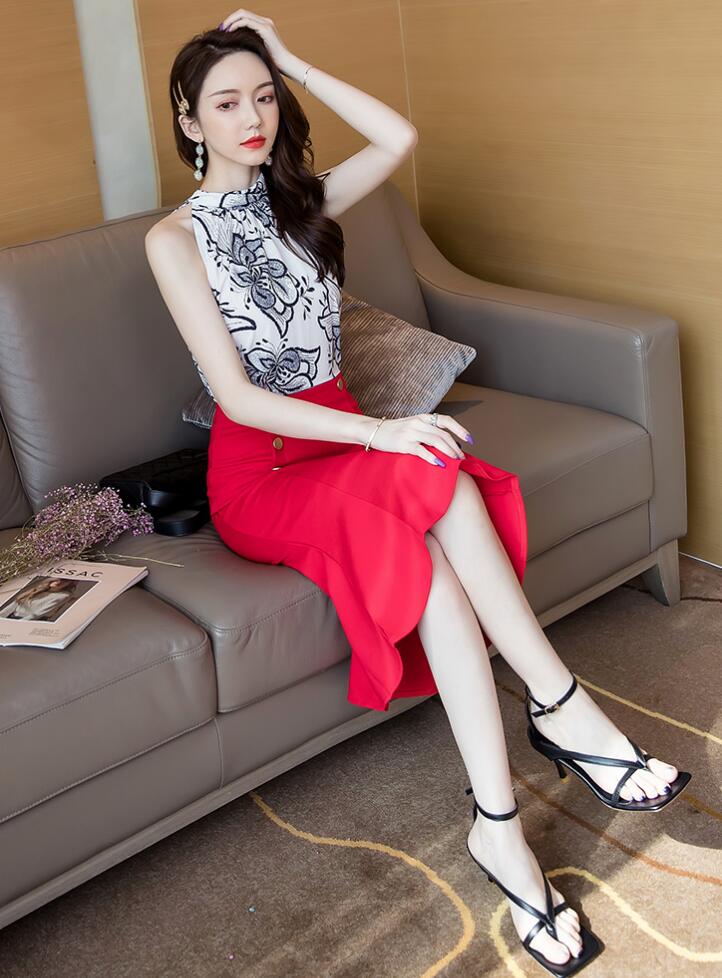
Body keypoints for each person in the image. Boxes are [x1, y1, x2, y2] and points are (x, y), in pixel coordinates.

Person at [144, 11, 690, 975]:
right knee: (434, 466)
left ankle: (499, 828)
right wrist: (383, 430)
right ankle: (561, 706)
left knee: (436, 564)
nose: (252, 118)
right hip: (264, 470)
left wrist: (292, 57)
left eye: (263, 97)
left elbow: (398, 137)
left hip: (342, 442)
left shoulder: (300, 200)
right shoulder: (173, 240)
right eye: (225, 104)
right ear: (189, 122)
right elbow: (236, 396)